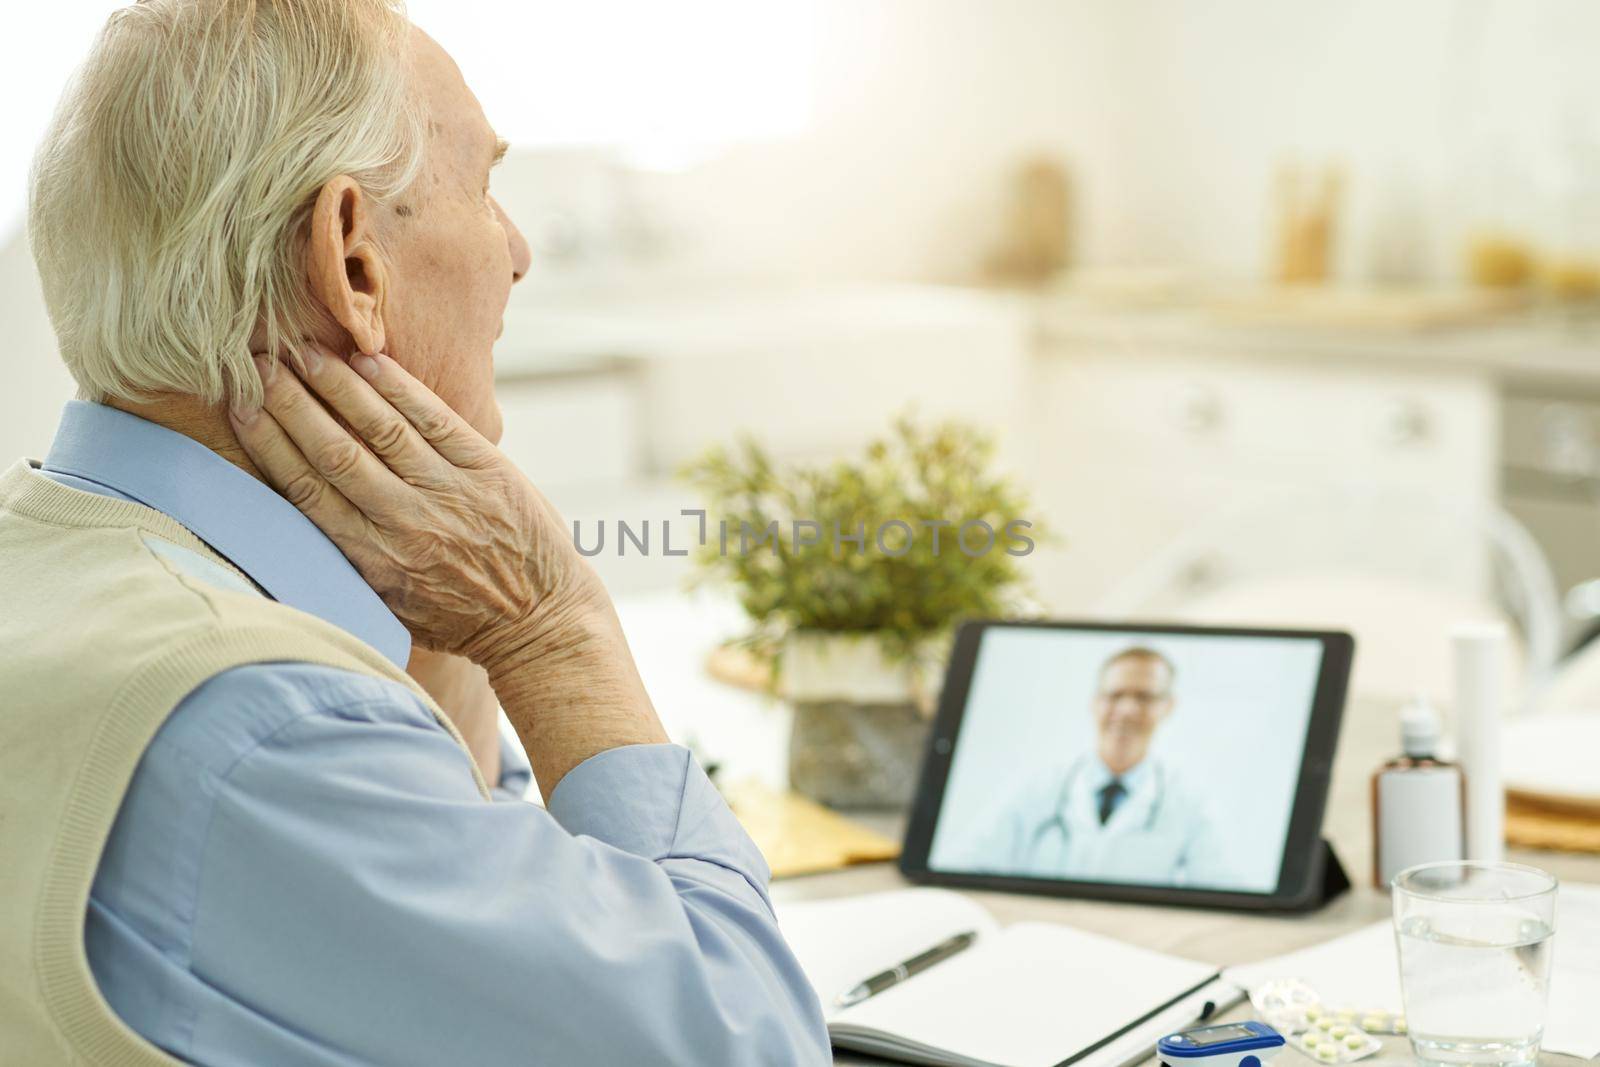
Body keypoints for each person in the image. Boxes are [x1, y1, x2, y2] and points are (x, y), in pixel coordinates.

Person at [0, 2, 829, 1064]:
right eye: (485, 188)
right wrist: (550, 628)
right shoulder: (268, 724)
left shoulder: (60, 569)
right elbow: (744, 1042)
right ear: (351, 262)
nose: (518, 253)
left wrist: (443, 619)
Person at [955, 647, 1227, 885]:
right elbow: (968, 866)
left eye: (1144, 697)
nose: (1127, 710)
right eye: (1115, 695)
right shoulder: (1036, 788)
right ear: (1095, 701)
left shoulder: (1191, 805)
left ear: (1168, 706)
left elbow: (1221, 890)